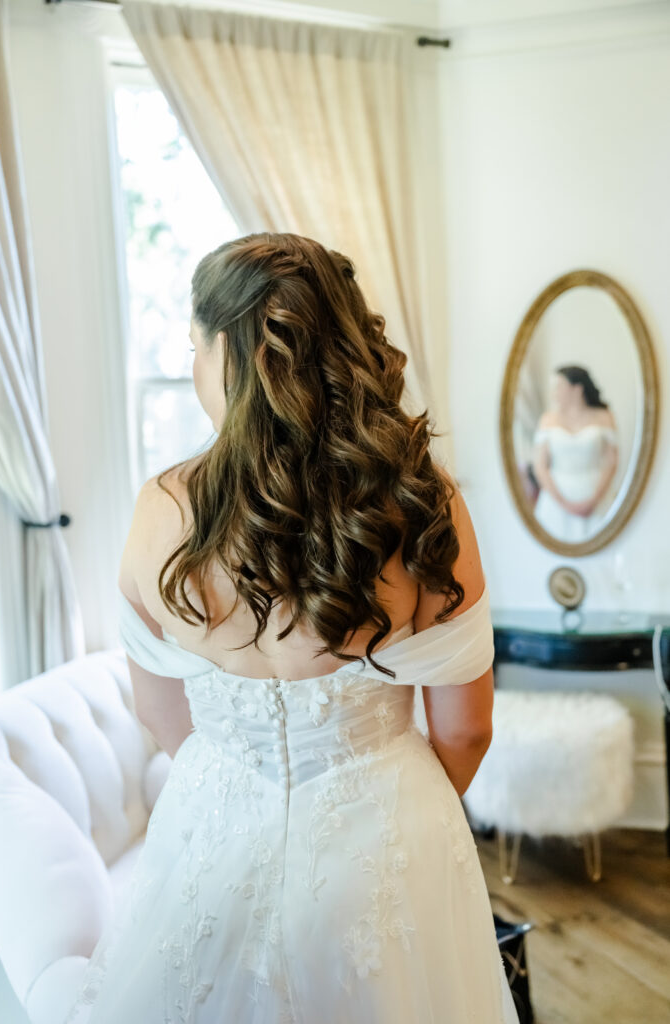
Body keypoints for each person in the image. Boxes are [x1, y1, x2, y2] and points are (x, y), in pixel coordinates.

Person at [61, 232, 518, 1023]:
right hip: (384, 836)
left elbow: (161, 713)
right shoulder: (420, 502)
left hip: (211, 827)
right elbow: (466, 730)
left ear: (220, 353)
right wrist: (389, 804)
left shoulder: (158, 511)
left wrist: (238, 781)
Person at [532, 364, 619, 543]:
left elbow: (611, 461)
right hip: (556, 499)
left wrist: (594, 500)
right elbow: (540, 466)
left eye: (559, 386)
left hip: (595, 495)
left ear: (577, 389)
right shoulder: (548, 419)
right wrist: (563, 503)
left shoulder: (603, 416)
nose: (555, 392)